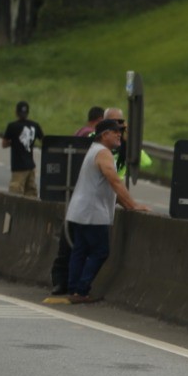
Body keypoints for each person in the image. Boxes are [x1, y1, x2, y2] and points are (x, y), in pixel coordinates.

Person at [65, 119, 149, 303]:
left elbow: (108, 186)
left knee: (80, 250)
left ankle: (73, 290)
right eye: (116, 132)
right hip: (92, 213)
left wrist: (126, 203)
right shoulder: (103, 153)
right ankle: (81, 290)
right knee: (100, 251)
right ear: (104, 135)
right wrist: (133, 205)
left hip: (80, 210)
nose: (120, 135)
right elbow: (114, 180)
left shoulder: (94, 150)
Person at [2, 100, 43, 198]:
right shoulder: (35, 125)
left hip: (18, 166)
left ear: (16, 112)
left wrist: (13, 142)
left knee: (15, 193)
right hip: (31, 166)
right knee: (31, 193)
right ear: (28, 112)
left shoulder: (12, 126)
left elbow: (4, 144)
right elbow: (44, 141)